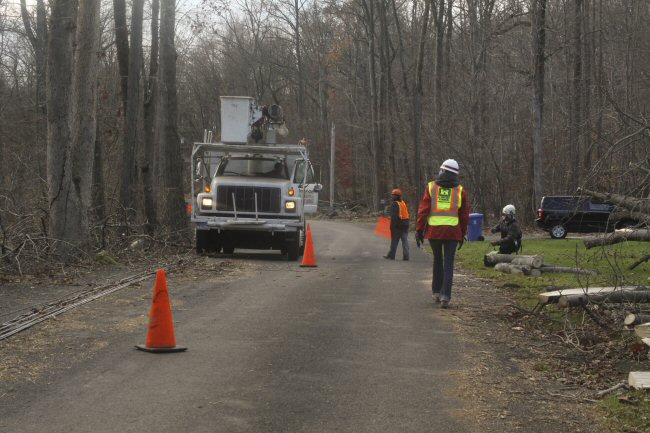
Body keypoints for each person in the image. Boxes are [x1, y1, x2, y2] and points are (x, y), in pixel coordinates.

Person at [416, 159, 469, 309]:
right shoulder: (460, 191)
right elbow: (464, 215)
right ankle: (446, 296)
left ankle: (436, 292)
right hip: (452, 233)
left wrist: (419, 229)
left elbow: (423, 210)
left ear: (442, 171)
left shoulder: (431, 187)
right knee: (448, 264)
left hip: (434, 232)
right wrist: (463, 233)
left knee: (437, 261)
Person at [383, 188, 410, 261]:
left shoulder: (395, 204)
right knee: (405, 241)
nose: (392, 196)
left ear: (397, 196)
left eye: (393, 195)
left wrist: (392, 227)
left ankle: (391, 256)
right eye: (392, 195)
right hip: (405, 224)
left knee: (394, 241)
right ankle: (406, 256)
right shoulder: (403, 203)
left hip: (398, 225)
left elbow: (394, 217)